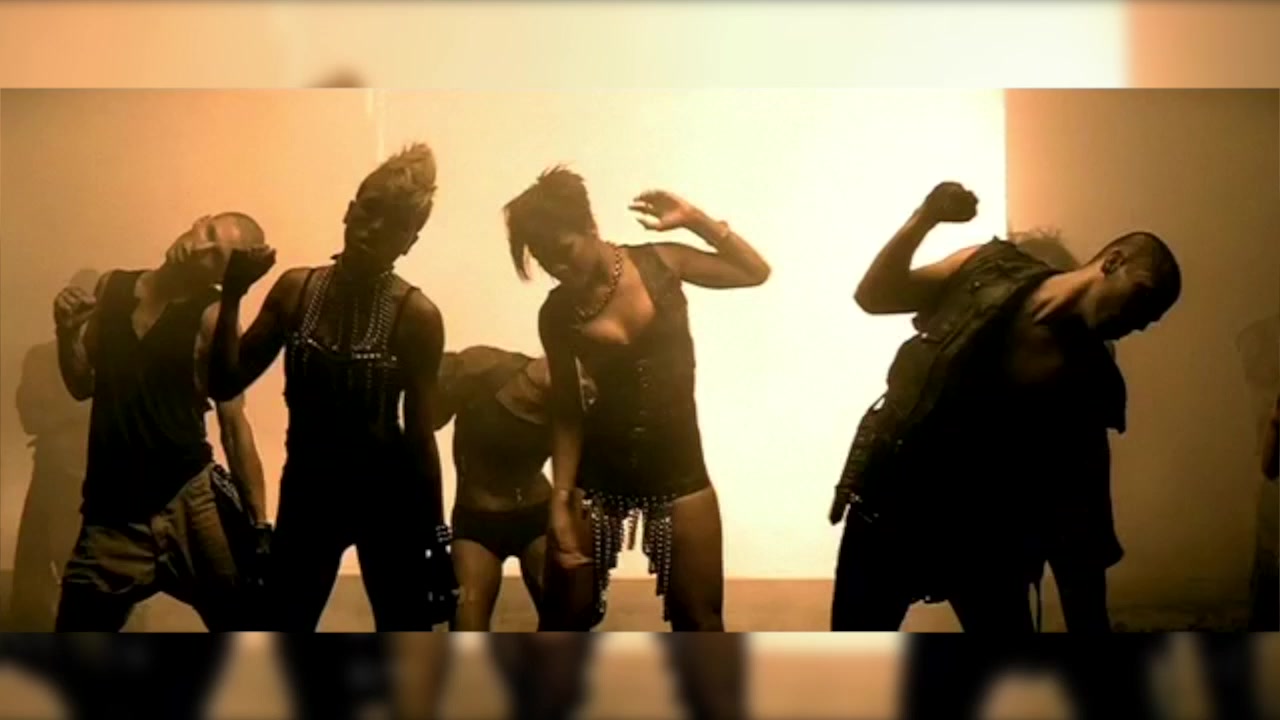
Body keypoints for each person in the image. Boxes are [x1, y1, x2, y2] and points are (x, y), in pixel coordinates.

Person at [830, 181, 1181, 632]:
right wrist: (925, 217)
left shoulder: (1087, 376)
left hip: (986, 539)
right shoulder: (986, 268)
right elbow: (875, 296)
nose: (1145, 319)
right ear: (1112, 262)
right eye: (1144, 294)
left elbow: (1081, 515)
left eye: (1155, 314)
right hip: (890, 511)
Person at [503, 166, 771, 631]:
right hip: (598, 473)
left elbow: (754, 272)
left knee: (701, 622)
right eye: (544, 259)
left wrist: (695, 219)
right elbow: (567, 409)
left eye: (564, 251)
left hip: (679, 470)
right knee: (563, 622)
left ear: (590, 227)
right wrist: (560, 500)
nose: (557, 268)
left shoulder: (661, 264)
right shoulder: (558, 313)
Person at [207, 143, 456, 631]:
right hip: (309, 491)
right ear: (349, 209)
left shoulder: (416, 316)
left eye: (395, 224)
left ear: (410, 242)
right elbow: (225, 381)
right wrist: (233, 293)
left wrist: (437, 538)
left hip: (388, 497)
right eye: (370, 210)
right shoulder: (297, 291)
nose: (374, 229)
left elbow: (419, 435)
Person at [51, 214, 270, 632]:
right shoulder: (112, 288)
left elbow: (234, 424)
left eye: (216, 257)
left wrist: (260, 524)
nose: (200, 248)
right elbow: (81, 385)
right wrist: (66, 334)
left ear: (221, 278)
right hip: (113, 511)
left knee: (248, 626)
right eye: (208, 233)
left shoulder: (212, 317)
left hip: (189, 502)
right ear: (198, 222)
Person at [434, 346, 560, 630]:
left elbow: (576, 470)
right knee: (467, 624)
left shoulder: (571, 400)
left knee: (564, 616)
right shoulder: (480, 368)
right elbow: (428, 419)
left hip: (536, 514)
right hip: (478, 518)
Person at [8, 270, 97, 631]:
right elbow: (30, 417)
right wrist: (78, 414)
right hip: (52, 472)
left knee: (78, 567)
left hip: (85, 474)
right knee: (37, 570)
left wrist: (60, 417)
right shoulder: (41, 357)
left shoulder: (112, 359)